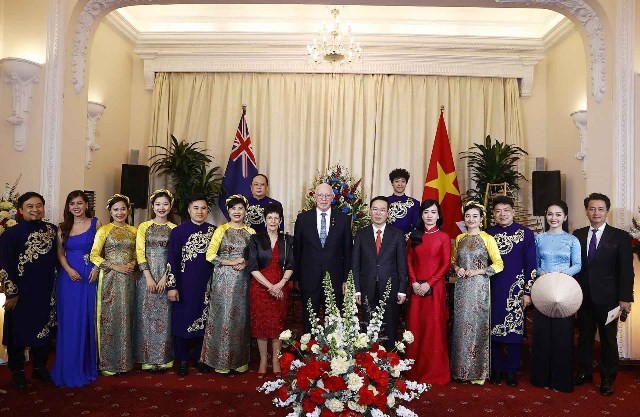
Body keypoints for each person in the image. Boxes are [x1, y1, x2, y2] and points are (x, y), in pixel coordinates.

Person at [573, 193, 634, 396]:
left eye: (600, 209)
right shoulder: (578, 234)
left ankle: (608, 378)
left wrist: (625, 298)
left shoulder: (620, 237)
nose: (596, 212)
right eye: (592, 209)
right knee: (584, 337)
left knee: (608, 339)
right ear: (586, 211)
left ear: (607, 211)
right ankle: (585, 372)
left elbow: (626, 270)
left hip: (609, 299)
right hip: (583, 297)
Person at [0, 192, 57, 389]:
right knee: (18, 332)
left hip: (45, 291)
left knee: (44, 330)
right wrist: (11, 293)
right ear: (21, 210)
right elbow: (4, 266)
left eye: (39, 205)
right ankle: (17, 371)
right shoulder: (10, 234)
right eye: (30, 206)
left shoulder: (52, 230)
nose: (35, 209)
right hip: (21, 294)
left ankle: (39, 367)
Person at [530, 200, 581, 393]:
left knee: (562, 336)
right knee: (542, 335)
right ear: (546, 216)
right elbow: (534, 263)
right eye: (550, 214)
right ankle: (540, 378)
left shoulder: (572, 240)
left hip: (565, 290)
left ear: (565, 217)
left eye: (558, 214)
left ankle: (560, 380)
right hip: (543, 288)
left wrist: (561, 276)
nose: (554, 218)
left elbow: (577, 265)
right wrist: (543, 273)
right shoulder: (539, 238)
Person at [485, 195, 536, 387]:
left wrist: (527, 291)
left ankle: (512, 370)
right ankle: (496, 368)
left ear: (513, 212)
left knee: (514, 331)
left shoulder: (526, 234)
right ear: (493, 214)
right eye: (498, 211)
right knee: (493, 330)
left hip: (516, 289)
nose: (502, 214)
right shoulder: (487, 234)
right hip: (492, 287)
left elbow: (530, 264)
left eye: (506, 210)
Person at [52, 190, 101, 387]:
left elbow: (102, 250)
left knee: (86, 319)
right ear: (68, 206)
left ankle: (86, 367)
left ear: (86, 205)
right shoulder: (63, 227)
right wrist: (69, 270)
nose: (76, 207)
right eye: (72, 203)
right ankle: (67, 367)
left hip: (89, 276)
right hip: (68, 278)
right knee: (70, 321)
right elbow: (60, 253)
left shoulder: (96, 223)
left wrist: (97, 268)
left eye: (80, 203)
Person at [450, 201, 503, 384]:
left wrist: (478, 271)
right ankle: (460, 370)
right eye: (467, 216)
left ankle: (477, 373)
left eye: (475, 216)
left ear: (481, 219)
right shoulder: (460, 238)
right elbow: (453, 261)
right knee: (461, 326)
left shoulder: (488, 238)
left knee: (478, 326)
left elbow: (498, 264)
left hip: (480, 286)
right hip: (462, 286)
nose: (471, 219)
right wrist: (457, 269)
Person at [201, 194, 255, 373]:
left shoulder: (251, 232)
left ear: (245, 211)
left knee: (240, 318)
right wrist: (232, 262)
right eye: (233, 208)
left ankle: (239, 360)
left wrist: (245, 263)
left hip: (243, 281)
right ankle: (220, 360)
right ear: (228, 211)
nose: (237, 211)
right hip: (223, 279)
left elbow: (255, 258)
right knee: (222, 316)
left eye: (240, 208)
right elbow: (210, 255)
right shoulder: (221, 230)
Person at [293, 182, 353, 333]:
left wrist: (346, 278)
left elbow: (348, 251)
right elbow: (297, 250)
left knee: (332, 321)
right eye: (320, 195)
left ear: (333, 197)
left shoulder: (343, 220)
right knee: (309, 320)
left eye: (327, 195)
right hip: (309, 278)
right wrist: (297, 278)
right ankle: (309, 353)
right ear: (315, 197)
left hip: (335, 279)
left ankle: (331, 355)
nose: (324, 198)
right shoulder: (303, 219)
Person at [166, 194, 215, 377]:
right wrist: (172, 286)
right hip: (184, 285)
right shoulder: (178, 232)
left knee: (205, 320)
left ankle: (200, 358)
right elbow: (172, 260)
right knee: (183, 320)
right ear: (189, 209)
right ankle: (183, 360)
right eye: (196, 208)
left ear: (207, 211)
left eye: (203, 208)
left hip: (207, 285)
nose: (200, 211)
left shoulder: (214, 231)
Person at [90, 194, 137, 376]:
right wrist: (115, 266)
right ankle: (108, 363)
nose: (120, 213)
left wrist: (133, 263)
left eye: (123, 209)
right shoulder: (104, 230)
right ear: (110, 211)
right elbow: (95, 255)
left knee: (126, 316)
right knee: (109, 318)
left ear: (128, 210)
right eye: (116, 209)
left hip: (127, 279)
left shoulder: (134, 230)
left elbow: (136, 253)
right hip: (109, 278)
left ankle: (125, 361)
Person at [405, 199, 451, 385]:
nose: (429, 215)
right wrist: (415, 282)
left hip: (435, 289)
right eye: (426, 212)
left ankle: (434, 372)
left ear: (438, 215)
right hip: (416, 289)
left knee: (433, 328)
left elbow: (446, 264)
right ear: (421, 215)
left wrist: (429, 283)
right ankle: (414, 370)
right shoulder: (414, 236)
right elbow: (408, 261)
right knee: (416, 326)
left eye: (433, 212)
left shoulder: (444, 237)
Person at [352, 196, 407, 350]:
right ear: (370, 211)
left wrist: (402, 289)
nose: (378, 213)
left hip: (390, 287)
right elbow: (355, 264)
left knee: (390, 327)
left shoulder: (397, 234)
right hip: (366, 287)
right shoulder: (361, 234)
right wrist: (356, 288)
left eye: (382, 210)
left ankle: (390, 361)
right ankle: (368, 360)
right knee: (367, 327)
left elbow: (402, 264)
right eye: (375, 209)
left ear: (388, 213)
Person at [247, 203, 294, 378]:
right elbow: (252, 266)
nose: (273, 221)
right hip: (260, 287)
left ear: (280, 220)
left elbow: (291, 264)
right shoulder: (256, 239)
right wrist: (270, 286)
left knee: (277, 325)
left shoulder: (288, 240)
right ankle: (262, 360)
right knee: (261, 325)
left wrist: (280, 284)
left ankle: (275, 360)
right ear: (265, 220)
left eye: (276, 218)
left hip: (281, 287)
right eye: (269, 218)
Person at [134, 190, 177, 372]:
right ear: (152, 206)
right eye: (158, 204)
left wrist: (165, 278)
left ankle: (164, 358)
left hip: (166, 278)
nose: (161, 208)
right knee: (146, 316)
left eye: (165, 204)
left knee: (166, 317)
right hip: (147, 277)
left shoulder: (175, 229)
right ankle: (147, 358)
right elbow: (139, 252)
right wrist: (149, 277)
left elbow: (175, 256)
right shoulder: (144, 226)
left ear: (170, 206)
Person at [387, 168, 420, 238]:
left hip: (407, 242)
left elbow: (416, 225)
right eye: (397, 181)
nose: (400, 184)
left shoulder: (415, 203)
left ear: (406, 183)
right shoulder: (385, 202)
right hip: (387, 240)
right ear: (392, 183)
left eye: (403, 181)